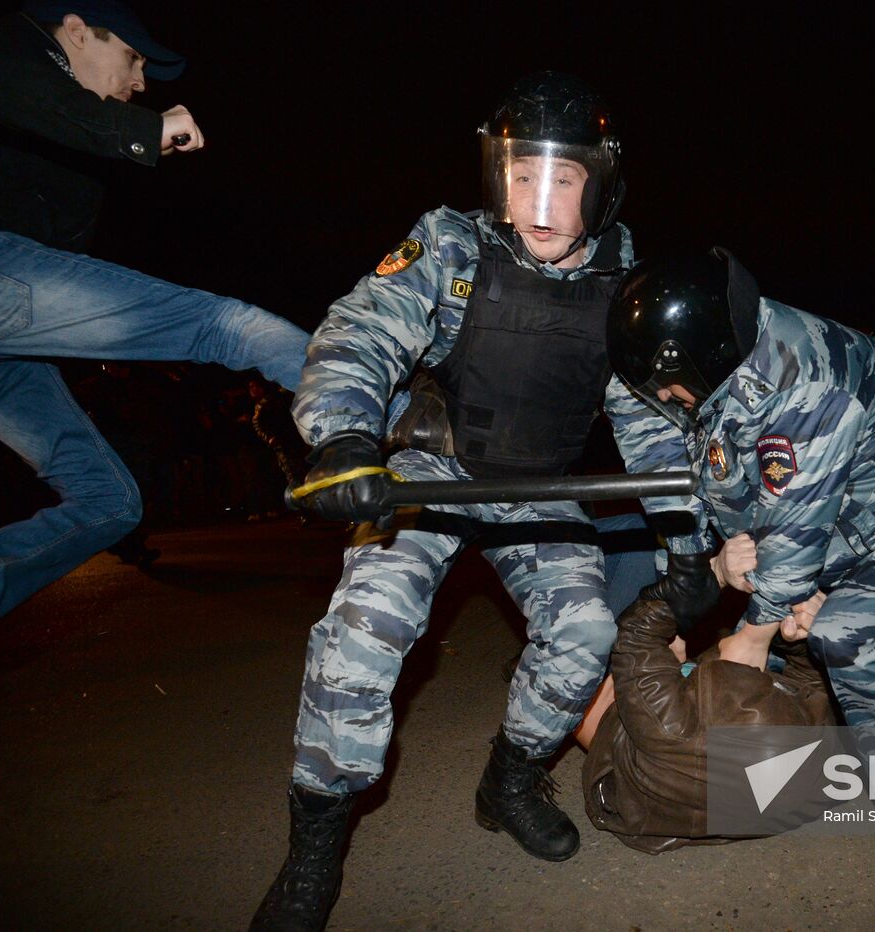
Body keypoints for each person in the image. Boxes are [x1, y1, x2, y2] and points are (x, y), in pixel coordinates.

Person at [252, 74, 716, 931]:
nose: (538, 204)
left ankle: (508, 781)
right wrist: (347, 435)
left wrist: (685, 541)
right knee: (361, 637)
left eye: (563, 179)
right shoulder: (451, 246)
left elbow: (649, 425)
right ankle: (314, 847)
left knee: (583, 635)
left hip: (534, 493)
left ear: (602, 184)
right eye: (520, 175)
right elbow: (360, 331)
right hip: (430, 477)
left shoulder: (624, 287)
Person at [606, 248, 875, 910]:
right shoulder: (673, 364)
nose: (667, 400)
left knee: (850, 630)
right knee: (781, 602)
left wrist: (754, 633)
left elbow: (793, 524)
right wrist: (699, 565)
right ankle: (811, 727)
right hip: (828, 515)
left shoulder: (805, 380)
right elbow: (673, 465)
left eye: (673, 388)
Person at [0, 1, 309, 630]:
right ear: (74, 32)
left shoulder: (49, 147)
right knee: (223, 325)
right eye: (132, 57)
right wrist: (140, 130)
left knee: (110, 502)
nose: (141, 81)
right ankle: (391, 414)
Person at [581, 595, 835, 854]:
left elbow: (635, 632)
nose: (725, 637)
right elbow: (810, 686)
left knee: (588, 662)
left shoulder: (673, 726)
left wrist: (712, 575)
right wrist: (795, 642)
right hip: (706, 789)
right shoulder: (809, 742)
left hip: (624, 769)